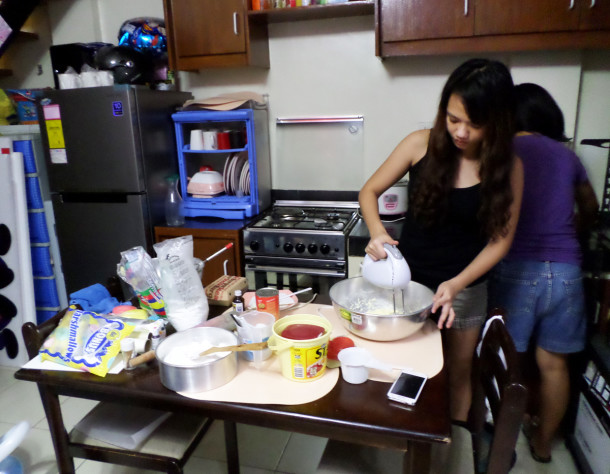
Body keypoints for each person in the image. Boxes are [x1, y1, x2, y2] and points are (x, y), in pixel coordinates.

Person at [359, 58, 524, 422]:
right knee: (406, 366)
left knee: (457, 373)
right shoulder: (419, 144)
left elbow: (501, 241)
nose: (461, 132)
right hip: (408, 283)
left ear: (496, 123)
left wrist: (456, 283)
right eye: (453, 119)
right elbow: (368, 191)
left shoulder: (508, 167)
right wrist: (378, 232)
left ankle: (455, 443)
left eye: (475, 124)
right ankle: (408, 436)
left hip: (464, 290)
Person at [489, 83, 599, 463]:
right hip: (567, 271)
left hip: (518, 269)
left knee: (507, 363)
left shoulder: (503, 152)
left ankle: (499, 444)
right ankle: (542, 444)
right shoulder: (567, 157)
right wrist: (575, 233)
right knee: (555, 365)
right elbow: (591, 205)